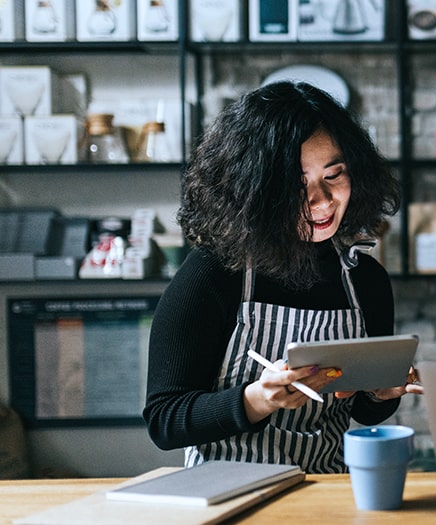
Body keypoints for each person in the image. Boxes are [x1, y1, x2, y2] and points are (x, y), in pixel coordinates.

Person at [143, 81, 421, 473]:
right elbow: (164, 420)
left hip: (326, 492)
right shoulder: (213, 274)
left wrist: (381, 393)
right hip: (226, 492)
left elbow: (363, 413)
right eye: (296, 185)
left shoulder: (365, 281)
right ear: (254, 189)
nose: (322, 200)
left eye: (335, 174)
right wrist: (257, 399)